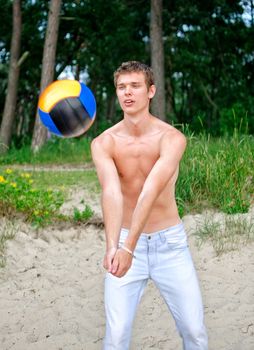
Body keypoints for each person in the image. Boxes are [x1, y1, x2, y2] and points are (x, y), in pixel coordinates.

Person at [91, 61, 208, 350]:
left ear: (151, 91)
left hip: (170, 245)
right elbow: (111, 193)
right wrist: (113, 247)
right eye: (121, 87)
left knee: (194, 332)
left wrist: (127, 246)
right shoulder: (103, 143)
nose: (127, 93)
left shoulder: (172, 138)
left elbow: (150, 191)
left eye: (135, 86)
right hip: (124, 242)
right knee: (116, 336)